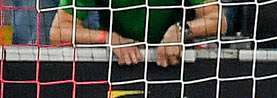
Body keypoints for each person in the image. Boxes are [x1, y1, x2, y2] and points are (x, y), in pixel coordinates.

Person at [48, 0, 225, 67]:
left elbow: (219, 20)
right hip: (118, 65)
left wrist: (182, 31)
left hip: (174, 64)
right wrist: (109, 38)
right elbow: (58, 32)